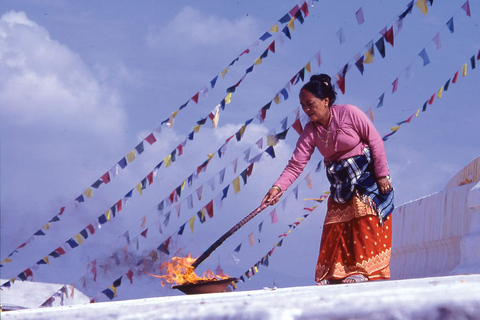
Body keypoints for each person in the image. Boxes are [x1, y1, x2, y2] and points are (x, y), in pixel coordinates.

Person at [261, 74, 394, 285]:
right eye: (303, 105)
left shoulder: (350, 113)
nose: (306, 109)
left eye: (310, 104)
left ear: (326, 100)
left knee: (362, 213)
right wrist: (278, 187)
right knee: (336, 223)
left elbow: (375, 140)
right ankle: (337, 273)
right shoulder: (310, 131)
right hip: (340, 183)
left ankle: (363, 270)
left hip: (367, 179)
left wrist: (382, 174)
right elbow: (296, 164)